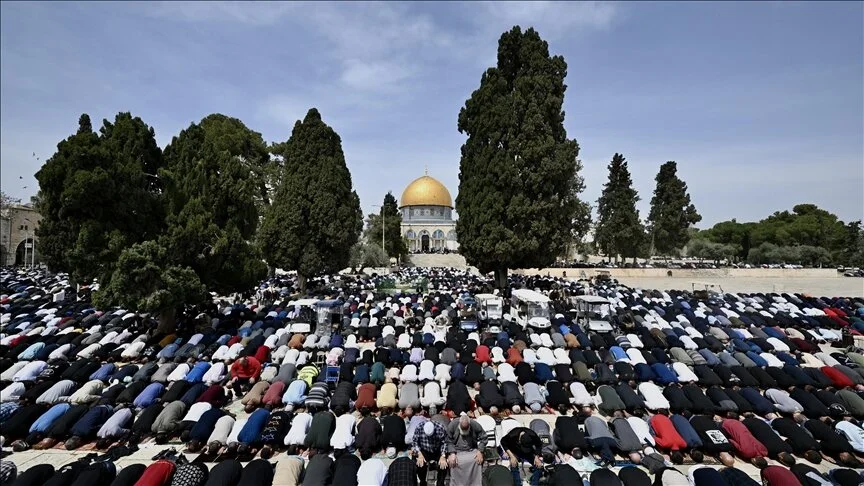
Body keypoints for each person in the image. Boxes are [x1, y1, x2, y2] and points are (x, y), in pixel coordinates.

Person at [444, 415, 486, 486]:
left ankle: (474, 483)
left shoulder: (474, 425)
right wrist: (452, 453)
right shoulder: (453, 425)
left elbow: (484, 438)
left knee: (477, 460)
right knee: (453, 462)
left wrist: (480, 451)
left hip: (471, 449)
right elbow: (448, 440)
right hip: (456, 450)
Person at [412, 420, 448, 486]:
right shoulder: (419, 427)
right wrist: (419, 454)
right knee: (420, 464)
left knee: (444, 464)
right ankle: (423, 481)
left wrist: (443, 455)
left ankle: (440, 483)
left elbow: (445, 442)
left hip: (437, 449)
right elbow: (414, 442)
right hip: (424, 450)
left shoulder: (440, 427)